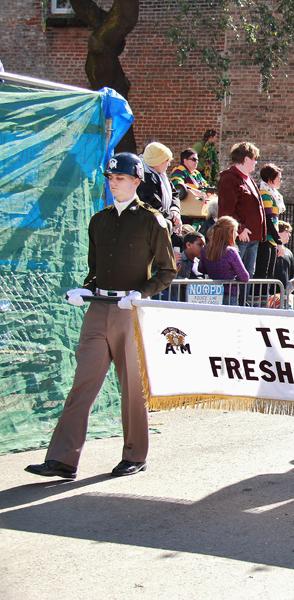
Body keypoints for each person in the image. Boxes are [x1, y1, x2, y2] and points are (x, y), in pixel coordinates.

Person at [25, 152, 176, 480]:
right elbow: (95, 270)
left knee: (131, 388)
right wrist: (85, 290)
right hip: (98, 309)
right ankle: (62, 459)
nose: (113, 183)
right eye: (110, 178)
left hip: (129, 311)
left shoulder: (152, 220)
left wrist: (142, 293)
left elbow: (167, 270)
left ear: (136, 181)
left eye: (119, 178)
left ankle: (135, 454)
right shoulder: (100, 220)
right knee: (83, 384)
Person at [217, 142, 265, 278]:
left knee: (248, 274)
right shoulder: (229, 178)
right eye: (255, 158)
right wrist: (240, 228)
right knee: (235, 274)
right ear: (246, 159)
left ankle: (242, 300)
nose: (256, 162)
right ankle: (233, 300)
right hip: (240, 237)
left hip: (252, 237)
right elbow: (226, 211)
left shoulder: (248, 178)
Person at [199, 216, 251, 303]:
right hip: (229, 295)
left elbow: (201, 269)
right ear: (229, 232)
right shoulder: (230, 252)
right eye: (235, 231)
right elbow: (244, 277)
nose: (237, 234)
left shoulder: (206, 250)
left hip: (213, 295)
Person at [137, 141, 181, 232]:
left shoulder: (162, 176)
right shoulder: (144, 180)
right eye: (167, 161)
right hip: (149, 229)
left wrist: (175, 210)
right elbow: (153, 207)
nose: (169, 164)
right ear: (157, 162)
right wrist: (173, 218)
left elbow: (174, 194)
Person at [255, 163, 286, 280]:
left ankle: (265, 298)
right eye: (279, 178)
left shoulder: (272, 194)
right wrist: (279, 241)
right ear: (270, 179)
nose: (281, 181)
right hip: (266, 239)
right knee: (262, 274)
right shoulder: (265, 194)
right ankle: (258, 299)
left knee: (269, 275)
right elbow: (269, 220)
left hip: (272, 239)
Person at [273, 222, 294, 290]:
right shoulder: (269, 250)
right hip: (269, 294)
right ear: (278, 233)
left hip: (284, 293)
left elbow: (291, 274)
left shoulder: (288, 252)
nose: (289, 235)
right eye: (286, 232)